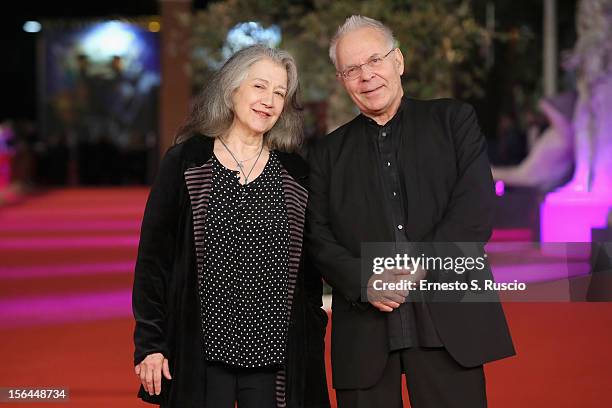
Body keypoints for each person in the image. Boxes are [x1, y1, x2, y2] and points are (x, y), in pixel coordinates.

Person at [306, 16, 515, 408]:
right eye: (352, 69)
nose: (366, 76)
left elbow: (476, 209)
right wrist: (365, 280)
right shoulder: (325, 154)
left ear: (398, 61)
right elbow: (317, 237)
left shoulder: (454, 120)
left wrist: (421, 264)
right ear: (342, 80)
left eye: (375, 60)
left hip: (448, 320)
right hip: (365, 332)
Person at [132, 44, 330, 408]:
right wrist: (151, 345)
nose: (268, 100)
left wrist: (311, 340)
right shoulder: (186, 162)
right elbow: (153, 261)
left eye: (279, 93)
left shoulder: (296, 173)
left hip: (275, 359)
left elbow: (309, 276)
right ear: (231, 88)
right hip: (200, 354)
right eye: (259, 86)